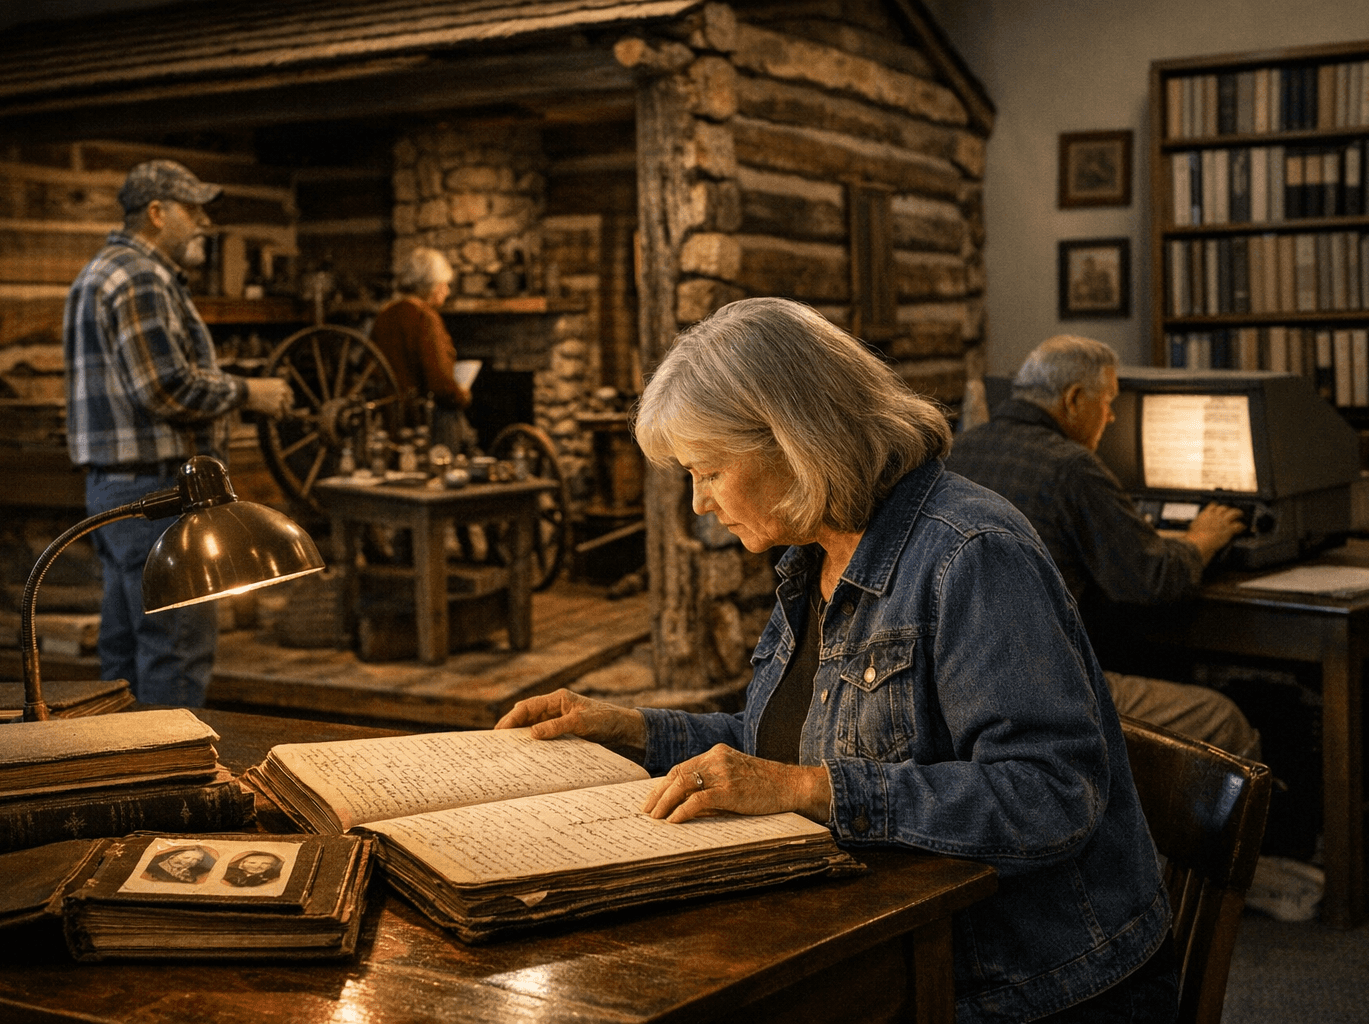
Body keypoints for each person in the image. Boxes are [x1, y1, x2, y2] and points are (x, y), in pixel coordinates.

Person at [498, 298, 1178, 1024]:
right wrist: (628, 728)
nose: (697, 503)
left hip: (1025, 985)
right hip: (896, 946)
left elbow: (1048, 798)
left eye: (708, 471)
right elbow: (784, 747)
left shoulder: (970, 553)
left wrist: (808, 790)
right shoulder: (815, 556)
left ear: (793, 445)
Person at [945, 335, 1259, 759]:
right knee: (1223, 719)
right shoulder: (1071, 467)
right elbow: (1152, 580)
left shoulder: (954, 453)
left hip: (960, 690)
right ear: (1074, 399)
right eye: (1107, 402)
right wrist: (1203, 537)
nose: (1110, 417)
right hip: (1045, 692)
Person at [64, 159, 293, 707]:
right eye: (194, 210)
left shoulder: (101, 270)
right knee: (176, 648)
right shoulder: (140, 276)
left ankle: (119, 775)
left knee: (122, 650)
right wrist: (248, 391)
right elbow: (164, 388)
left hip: (119, 490)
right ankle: (174, 779)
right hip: (157, 494)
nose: (205, 224)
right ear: (157, 213)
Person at [370, 247, 472, 451]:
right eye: (445, 284)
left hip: (389, 417)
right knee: (458, 426)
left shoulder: (385, 315)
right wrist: (461, 395)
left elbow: (371, 367)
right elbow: (440, 382)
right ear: (432, 286)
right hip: (422, 421)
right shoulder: (424, 317)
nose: (447, 291)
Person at [144, 845, 216, 884]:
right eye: (186, 857)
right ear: (174, 856)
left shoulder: (191, 875)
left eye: (197, 860)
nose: (190, 861)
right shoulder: (153, 868)